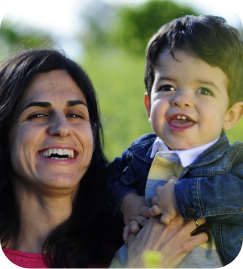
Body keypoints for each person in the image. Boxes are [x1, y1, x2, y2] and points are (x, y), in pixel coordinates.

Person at [0, 49, 207, 269]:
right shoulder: (148, 253)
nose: (62, 128)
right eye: (37, 115)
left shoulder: (145, 231)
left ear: (92, 133)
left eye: (75, 115)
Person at [110, 15, 243, 268]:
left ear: (230, 115)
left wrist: (183, 198)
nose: (182, 100)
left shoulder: (233, 162)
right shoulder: (140, 155)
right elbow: (105, 178)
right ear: (149, 106)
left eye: (203, 90)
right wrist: (125, 200)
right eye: (168, 87)